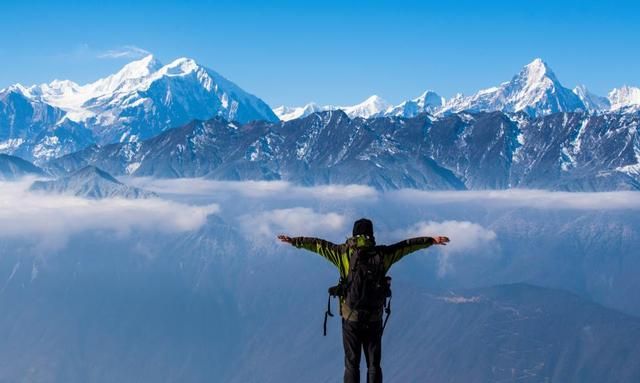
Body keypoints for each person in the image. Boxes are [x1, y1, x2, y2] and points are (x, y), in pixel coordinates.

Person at [278, 218, 450, 383]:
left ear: (353, 235)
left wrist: (295, 241)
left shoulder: (343, 253)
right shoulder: (383, 255)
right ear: (372, 235)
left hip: (350, 318)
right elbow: (405, 246)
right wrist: (430, 240)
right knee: (373, 364)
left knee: (352, 364)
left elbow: (318, 245)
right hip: (374, 318)